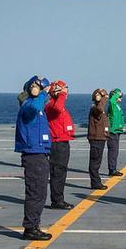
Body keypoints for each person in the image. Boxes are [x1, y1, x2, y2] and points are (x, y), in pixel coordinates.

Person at [15, 75, 52, 240]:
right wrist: (43, 92)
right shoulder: (29, 106)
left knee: (40, 192)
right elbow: (35, 106)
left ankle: (34, 225)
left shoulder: (35, 106)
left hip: (40, 153)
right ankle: (30, 228)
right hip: (33, 154)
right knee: (35, 192)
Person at [45, 80, 75, 210]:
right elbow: (57, 108)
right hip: (57, 143)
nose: (66, 93)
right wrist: (61, 94)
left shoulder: (57, 105)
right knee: (58, 172)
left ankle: (58, 199)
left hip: (62, 142)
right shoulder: (52, 105)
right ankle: (57, 200)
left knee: (61, 172)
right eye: (63, 90)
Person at [88, 88, 109, 190]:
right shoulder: (96, 108)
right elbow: (100, 109)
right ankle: (95, 182)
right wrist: (104, 98)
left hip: (100, 138)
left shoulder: (99, 108)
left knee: (97, 161)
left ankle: (95, 182)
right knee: (95, 162)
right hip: (96, 138)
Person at [107, 88, 124, 177]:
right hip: (112, 131)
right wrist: (117, 94)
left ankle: (113, 168)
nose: (120, 98)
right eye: (119, 97)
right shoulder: (113, 104)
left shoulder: (117, 105)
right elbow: (111, 100)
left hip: (117, 131)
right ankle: (112, 169)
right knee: (113, 151)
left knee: (115, 151)